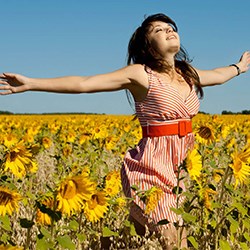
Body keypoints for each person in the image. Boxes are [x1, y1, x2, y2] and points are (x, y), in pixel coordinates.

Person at [0, 13, 249, 249]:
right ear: (148, 46)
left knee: (136, 236)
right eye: (159, 30)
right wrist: (32, 83)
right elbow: (85, 83)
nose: (168, 31)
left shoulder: (187, 74)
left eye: (170, 27)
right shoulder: (141, 74)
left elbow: (217, 75)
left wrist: (239, 66)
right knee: (174, 239)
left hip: (180, 166)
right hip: (150, 166)